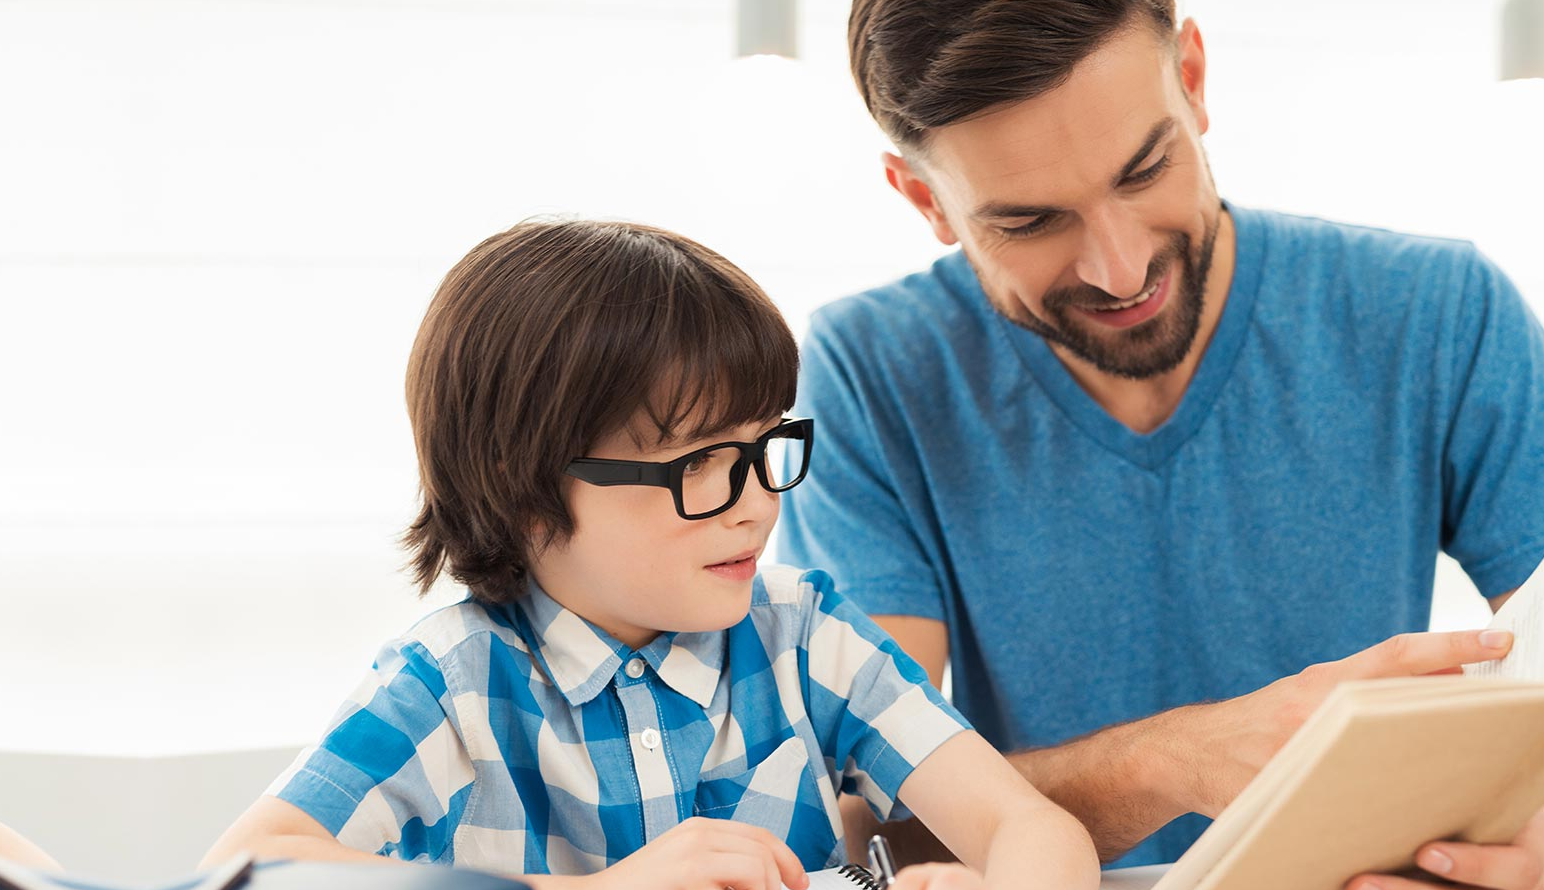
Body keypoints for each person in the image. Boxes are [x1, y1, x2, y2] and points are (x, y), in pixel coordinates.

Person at [777, 2, 1544, 888]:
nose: (1121, 268)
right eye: (1029, 221)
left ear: (1192, 79)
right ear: (924, 199)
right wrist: (1172, 762)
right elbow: (860, 823)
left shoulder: (1437, 316)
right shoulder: (874, 374)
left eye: (1144, 170)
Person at [202, 219, 1097, 890]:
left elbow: (1032, 829)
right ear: (526, 486)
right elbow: (248, 866)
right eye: (701, 462)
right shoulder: (453, 682)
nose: (754, 506)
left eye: (763, 448)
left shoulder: (805, 634)